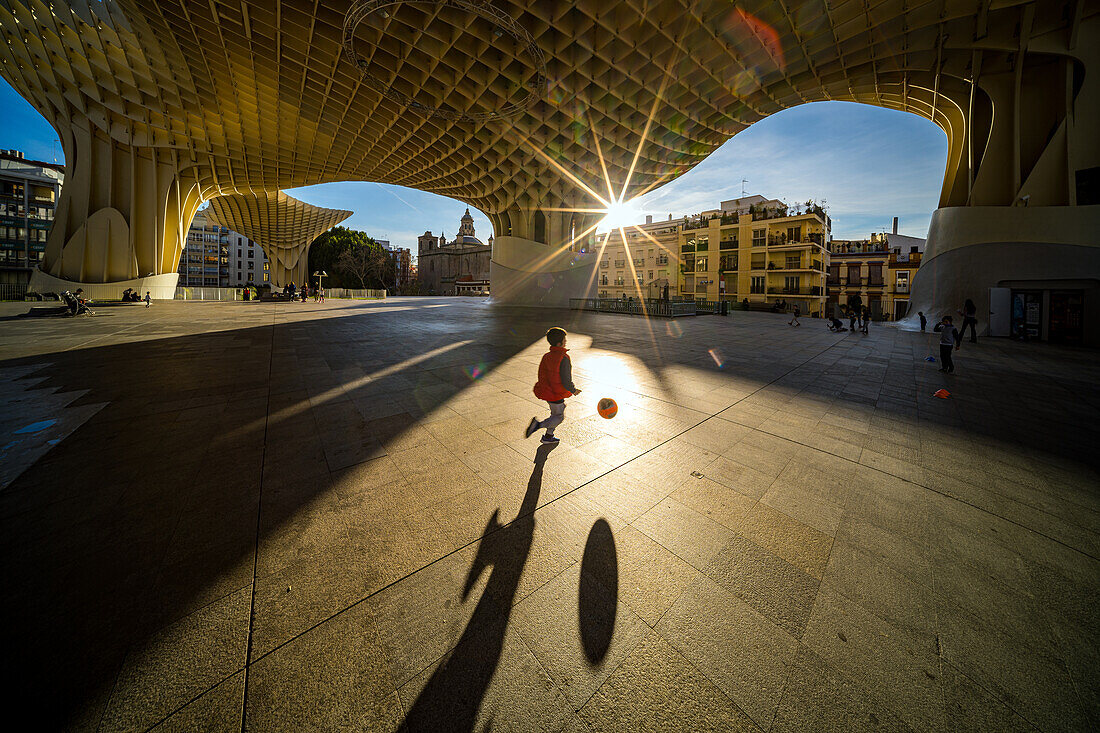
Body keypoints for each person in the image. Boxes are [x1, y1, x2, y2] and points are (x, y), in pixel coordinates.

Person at [525, 327, 581, 445]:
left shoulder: (547, 356)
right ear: (559, 343)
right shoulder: (563, 358)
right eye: (564, 340)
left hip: (548, 391)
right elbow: (566, 379)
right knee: (559, 417)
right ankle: (537, 425)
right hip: (556, 393)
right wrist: (573, 390)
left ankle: (548, 436)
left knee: (555, 414)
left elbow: (541, 374)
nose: (566, 342)